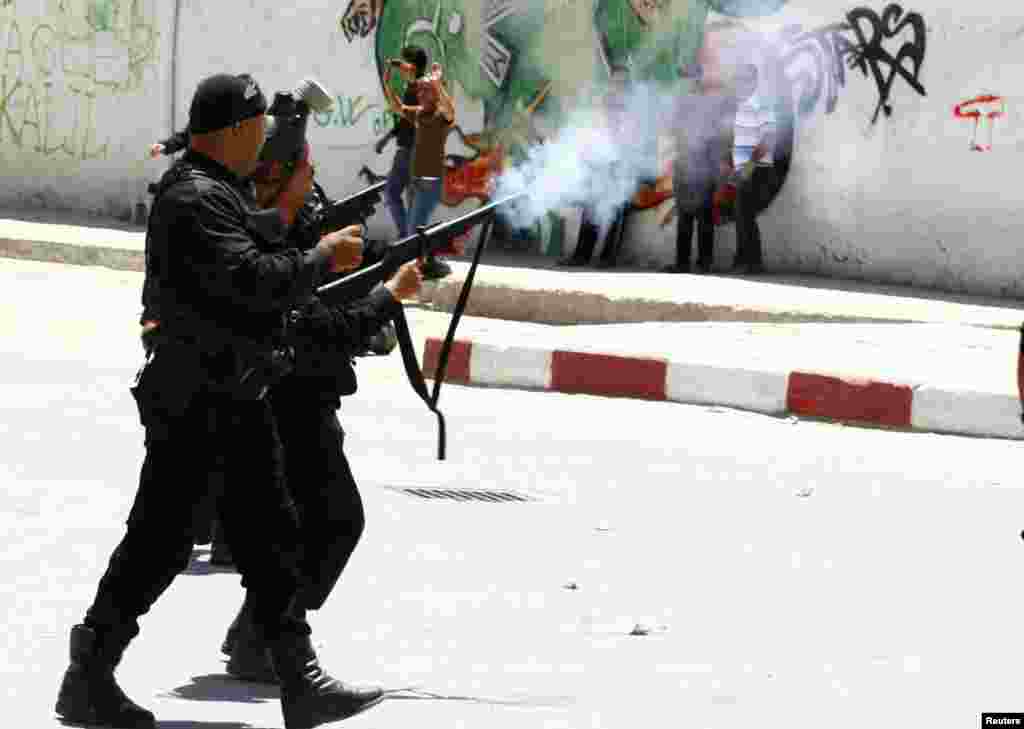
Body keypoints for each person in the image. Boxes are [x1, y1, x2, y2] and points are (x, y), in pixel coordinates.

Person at [55, 72, 393, 729]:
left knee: (270, 542)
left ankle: (300, 680)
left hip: (231, 393)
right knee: (158, 545)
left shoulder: (218, 193)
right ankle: (89, 673)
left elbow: (258, 263)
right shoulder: (195, 199)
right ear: (235, 131)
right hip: (199, 401)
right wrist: (321, 258)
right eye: (259, 128)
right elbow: (253, 279)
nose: (265, 141)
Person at [218, 141, 430, 683]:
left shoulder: (289, 228)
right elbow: (315, 327)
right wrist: (389, 296)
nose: (314, 176)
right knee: (335, 521)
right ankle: (261, 639)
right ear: (284, 177)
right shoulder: (273, 240)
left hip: (299, 396)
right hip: (291, 401)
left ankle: (257, 634)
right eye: (305, 168)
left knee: (309, 525)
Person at [381, 61, 456, 280]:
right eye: (419, 90)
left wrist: (437, 84)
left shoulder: (441, 115)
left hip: (431, 182)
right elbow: (397, 108)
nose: (420, 93)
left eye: (425, 90)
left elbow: (450, 110)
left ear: (434, 94)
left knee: (414, 231)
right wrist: (388, 84)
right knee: (417, 229)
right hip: (417, 181)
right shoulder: (420, 114)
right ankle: (429, 263)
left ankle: (428, 264)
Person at [664, 64, 736, 274]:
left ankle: (704, 263)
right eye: (683, 77)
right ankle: (682, 262)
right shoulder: (680, 102)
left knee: (704, 216)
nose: (685, 81)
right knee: (685, 216)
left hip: (704, 165)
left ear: (697, 78)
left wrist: (719, 163)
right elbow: (673, 132)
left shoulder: (711, 103)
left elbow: (721, 134)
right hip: (683, 164)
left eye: (689, 76)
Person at [375, 45, 428, 241]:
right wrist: (387, 138)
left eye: (404, 62)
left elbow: (404, 112)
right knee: (399, 194)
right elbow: (403, 115)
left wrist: (389, 87)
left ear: (412, 67)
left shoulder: (422, 88)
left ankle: (410, 238)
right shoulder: (413, 87)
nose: (401, 66)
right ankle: (411, 237)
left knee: (400, 194)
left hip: (415, 149)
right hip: (408, 148)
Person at [729, 63, 777, 276]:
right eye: (740, 79)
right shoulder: (743, 106)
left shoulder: (761, 104)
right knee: (742, 215)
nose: (742, 83)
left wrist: (747, 167)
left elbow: (769, 138)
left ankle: (752, 262)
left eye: (746, 79)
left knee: (745, 215)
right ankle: (744, 260)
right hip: (744, 168)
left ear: (755, 81)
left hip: (756, 168)